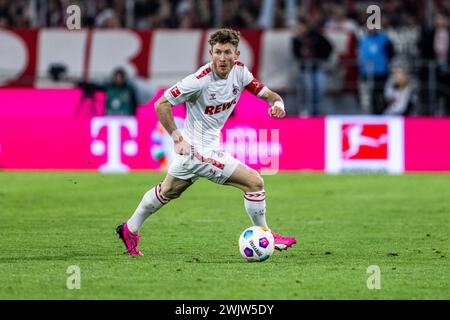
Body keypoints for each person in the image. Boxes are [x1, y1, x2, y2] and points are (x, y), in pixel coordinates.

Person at [115, 28, 297, 256]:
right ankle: (267, 234)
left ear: (237, 55)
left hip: (206, 148)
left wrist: (278, 105)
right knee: (255, 182)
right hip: (196, 150)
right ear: (210, 53)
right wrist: (176, 137)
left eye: (228, 52)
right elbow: (161, 104)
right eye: (218, 52)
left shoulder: (240, 74)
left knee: (168, 191)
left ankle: (129, 229)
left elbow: (270, 96)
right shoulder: (198, 81)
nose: (222, 58)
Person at [292, 17, 333, 115]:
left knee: (320, 86)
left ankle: (316, 109)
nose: (299, 29)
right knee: (307, 86)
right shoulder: (296, 39)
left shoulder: (316, 36)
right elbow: (295, 54)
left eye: (300, 26)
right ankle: (306, 110)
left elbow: (329, 47)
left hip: (317, 67)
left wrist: (322, 58)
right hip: (304, 68)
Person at [358, 28, 395, 114]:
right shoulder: (363, 39)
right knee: (369, 95)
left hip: (381, 72)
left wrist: (384, 62)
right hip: (365, 72)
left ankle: (382, 112)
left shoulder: (384, 39)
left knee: (382, 94)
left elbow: (391, 52)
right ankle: (371, 113)